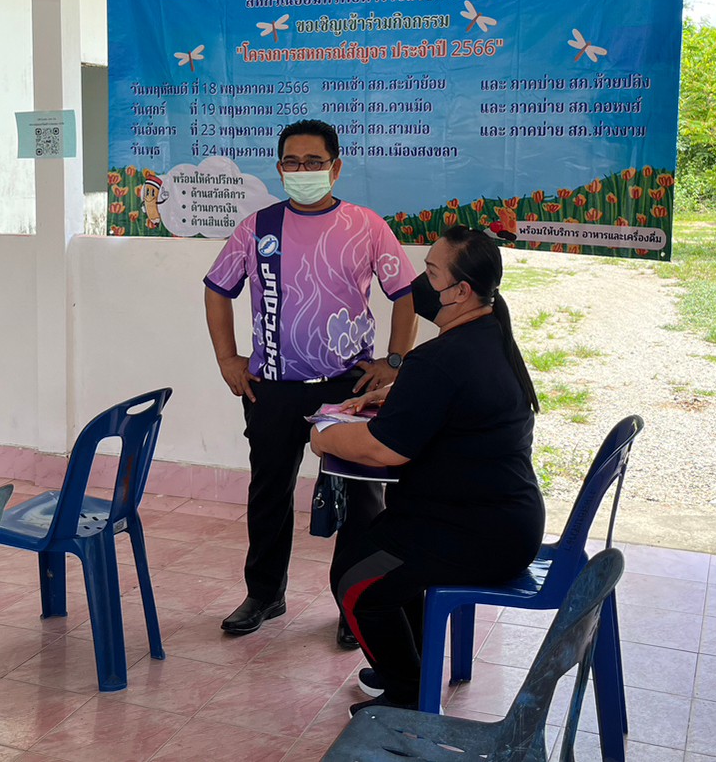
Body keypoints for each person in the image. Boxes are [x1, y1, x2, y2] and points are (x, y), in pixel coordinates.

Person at [313, 226, 544, 711]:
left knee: (355, 581)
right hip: (496, 520)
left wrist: (323, 435)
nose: (418, 283)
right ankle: (411, 669)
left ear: (460, 291)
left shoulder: (442, 359)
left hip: (476, 533)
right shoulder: (488, 334)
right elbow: (456, 395)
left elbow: (383, 450)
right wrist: (399, 392)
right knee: (383, 554)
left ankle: (405, 699)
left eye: (431, 273)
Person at [204, 119, 416, 646]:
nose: (303, 171)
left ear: (335, 168)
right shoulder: (257, 228)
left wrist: (394, 361)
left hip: (348, 389)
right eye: (292, 163)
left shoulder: (367, 226)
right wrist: (227, 357)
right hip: (273, 387)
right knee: (269, 491)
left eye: (314, 162)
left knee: (362, 501)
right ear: (279, 169)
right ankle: (264, 594)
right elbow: (217, 288)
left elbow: (406, 294)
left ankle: (354, 606)